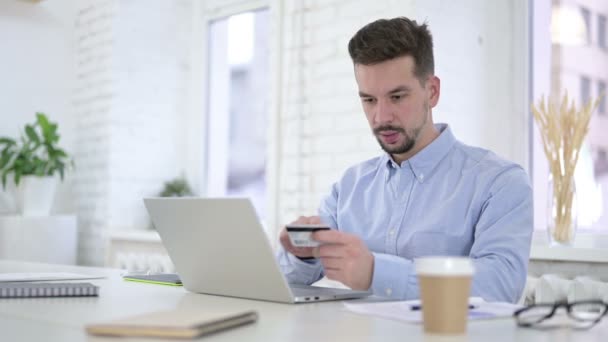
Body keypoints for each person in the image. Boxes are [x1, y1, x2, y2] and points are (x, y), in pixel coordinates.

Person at [276, 17, 533, 303]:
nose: (381, 117)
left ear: (432, 91)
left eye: (397, 97)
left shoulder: (500, 183)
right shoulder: (348, 188)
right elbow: (287, 282)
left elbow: (499, 287)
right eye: (369, 100)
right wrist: (302, 254)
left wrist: (377, 272)